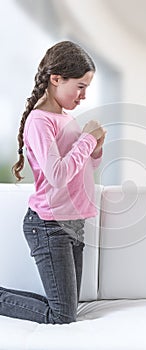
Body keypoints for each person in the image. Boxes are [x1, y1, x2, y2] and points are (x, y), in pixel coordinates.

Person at [0, 41, 106, 324]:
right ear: (56, 79)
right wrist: (86, 140)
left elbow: (82, 170)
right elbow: (57, 176)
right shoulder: (40, 121)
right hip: (49, 225)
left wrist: (95, 149)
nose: (83, 96)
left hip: (74, 222)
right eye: (80, 86)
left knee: (66, 307)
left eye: (87, 88)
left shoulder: (66, 119)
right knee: (63, 315)